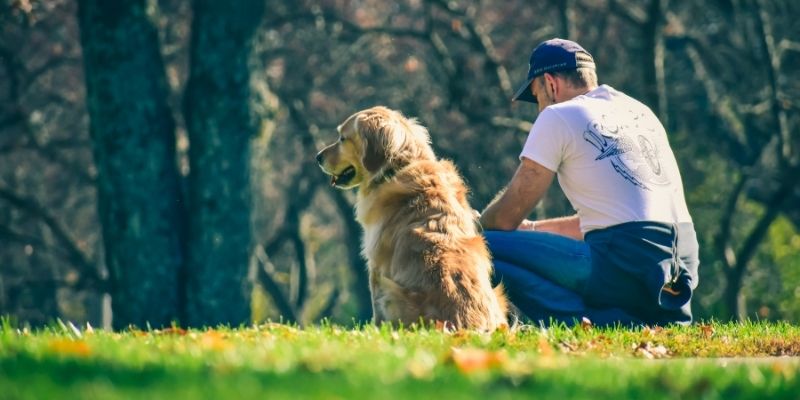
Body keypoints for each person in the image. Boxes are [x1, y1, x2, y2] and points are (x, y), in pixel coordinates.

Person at [479, 38, 700, 326]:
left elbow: (505, 218)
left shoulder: (558, 115)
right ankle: (639, 318)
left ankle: (597, 322)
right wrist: (532, 229)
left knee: (477, 247)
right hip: (682, 265)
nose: (538, 109)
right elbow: (617, 221)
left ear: (551, 84)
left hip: (625, 261)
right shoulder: (641, 112)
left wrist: (473, 225)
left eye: (536, 97)